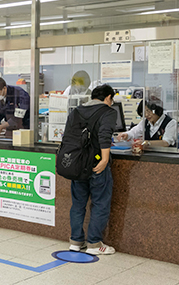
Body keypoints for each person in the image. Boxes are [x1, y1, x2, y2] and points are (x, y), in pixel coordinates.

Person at [68, 84, 118, 255]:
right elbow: (104, 135)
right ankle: (94, 245)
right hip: (97, 164)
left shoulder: (76, 111)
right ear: (108, 98)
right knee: (100, 203)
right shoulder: (108, 111)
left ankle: (75, 241)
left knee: (78, 204)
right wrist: (105, 159)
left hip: (77, 164)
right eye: (112, 100)